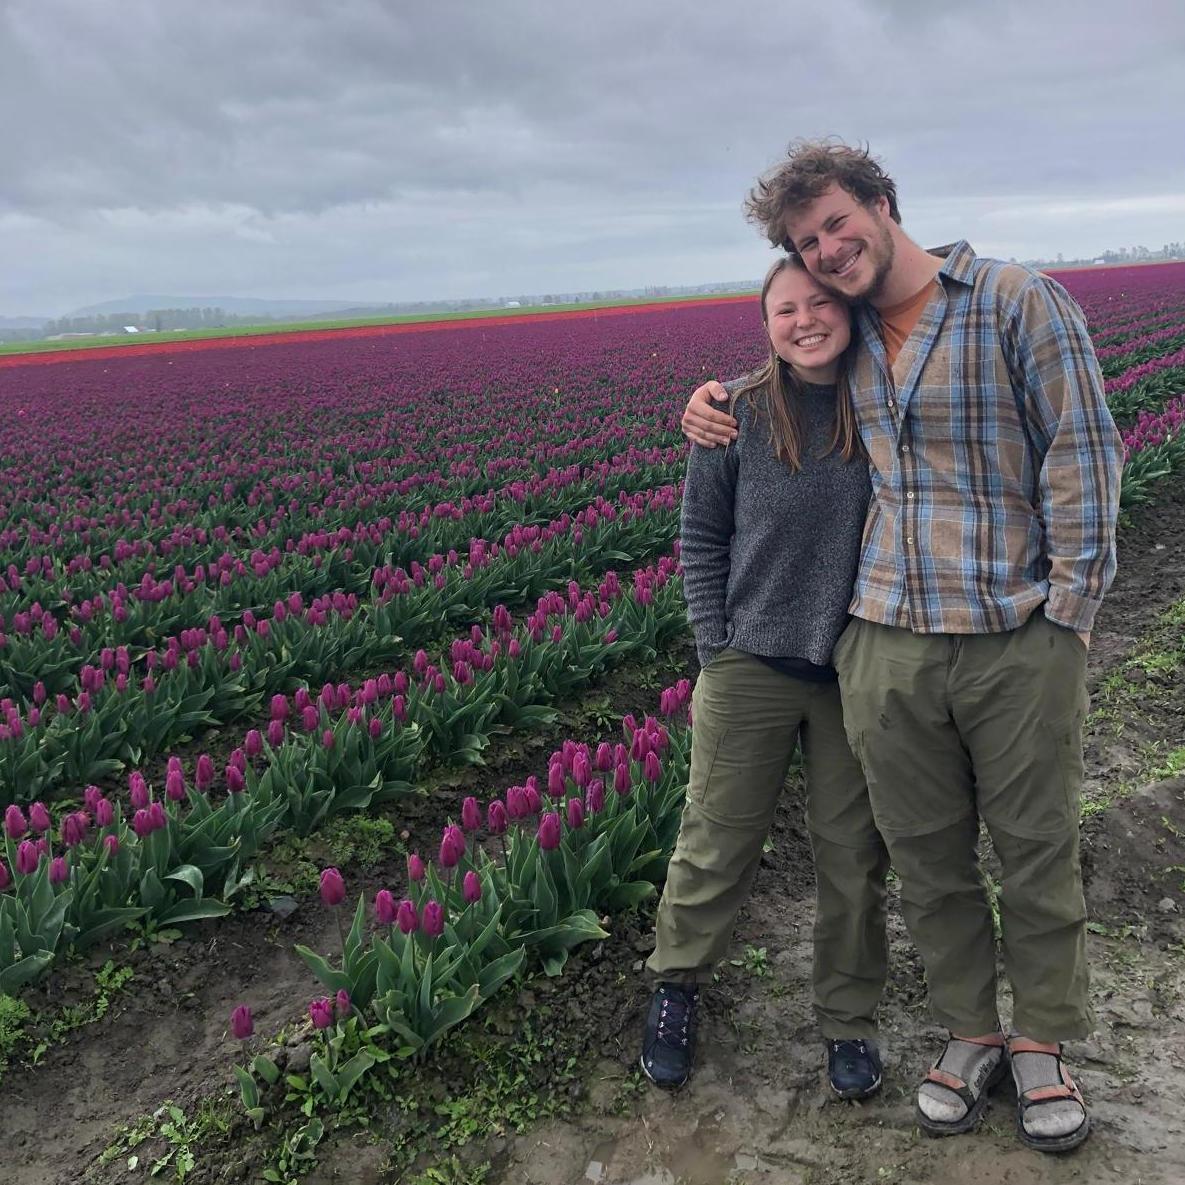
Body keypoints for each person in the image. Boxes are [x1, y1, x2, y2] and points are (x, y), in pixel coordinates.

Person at [681, 140, 1124, 1153]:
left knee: (1036, 848)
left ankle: (1043, 1043)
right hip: (883, 641)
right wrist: (708, 404)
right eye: (807, 241)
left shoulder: (1016, 299)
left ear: (883, 204)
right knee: (926, 859)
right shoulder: (847, 337)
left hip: (1016, 631)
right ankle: (971, 1031)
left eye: (839, 224)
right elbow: (770, 388)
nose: (828, 252)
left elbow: (1085, 453)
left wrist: (1071, 617)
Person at [641, 253, 890, 1101]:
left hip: (855, 666)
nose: (804, 320)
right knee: (715, 837)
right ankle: (674, 987)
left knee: (853, 855)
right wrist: (715, 645)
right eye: (784, 309)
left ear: (850, 309)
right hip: (749, 662)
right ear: (766, 325)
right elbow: (700, 536)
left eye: (820, 302)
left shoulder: (887, 403)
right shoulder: (735, 415)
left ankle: (849, 1020)